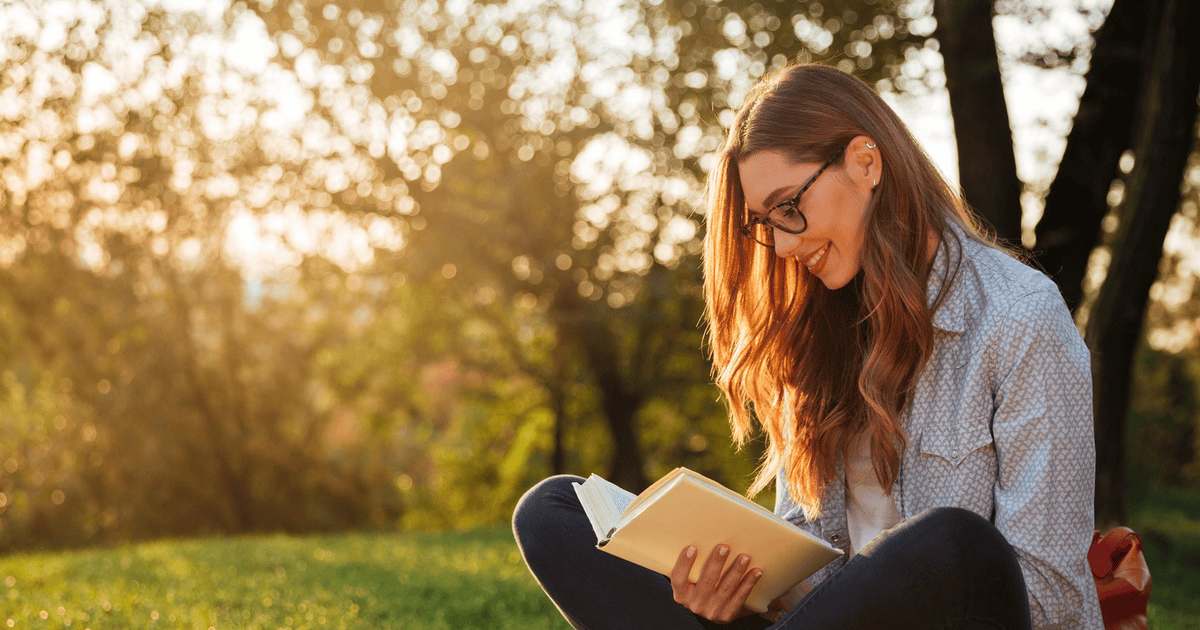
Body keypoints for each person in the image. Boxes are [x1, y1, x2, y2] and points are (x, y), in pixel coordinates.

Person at [512, 63, 1102, 630]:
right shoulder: (814, 332)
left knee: (951, 543)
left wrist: (876, 597)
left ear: (865, 163)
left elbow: (1049, 597)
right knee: (555, 512)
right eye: (764, 223)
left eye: (789, 208)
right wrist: (739, 593)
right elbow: (801, 567)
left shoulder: (1018, 316)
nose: (783, 245)